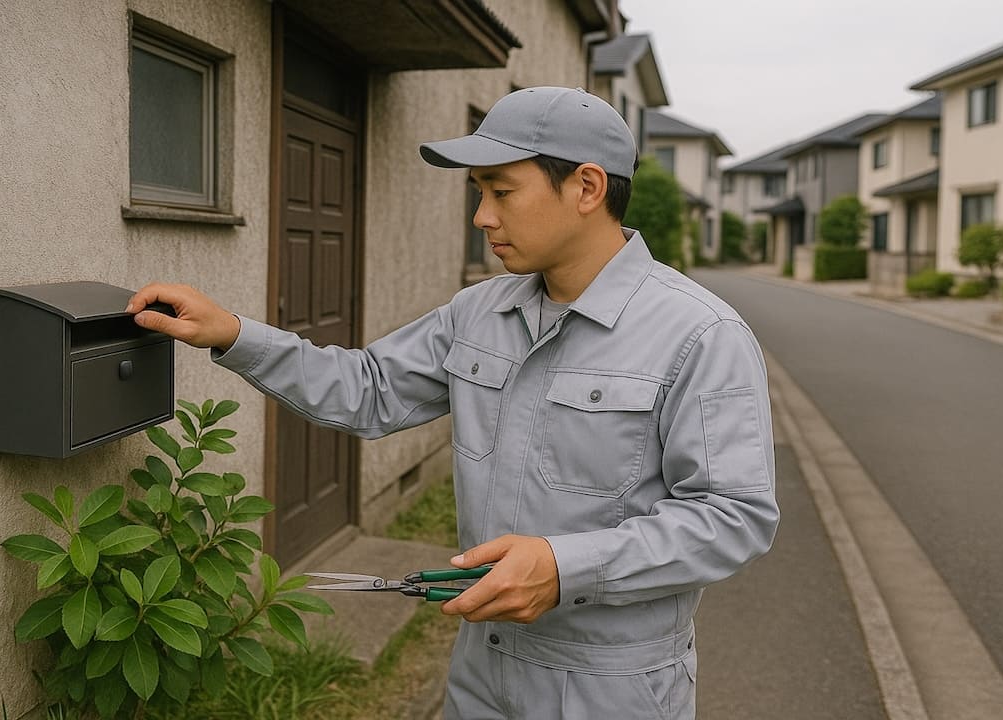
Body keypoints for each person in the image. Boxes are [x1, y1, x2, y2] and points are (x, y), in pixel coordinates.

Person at [127, 86, 778, 719]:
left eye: (502, 192)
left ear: (586, 187)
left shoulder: (700, 334)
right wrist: (234, 334)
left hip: (613, 684)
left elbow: (734, 515)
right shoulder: (480, 311)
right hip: (480, 670)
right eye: (478, 194)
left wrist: (565, 567)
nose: (482, 217)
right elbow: (369, 388)